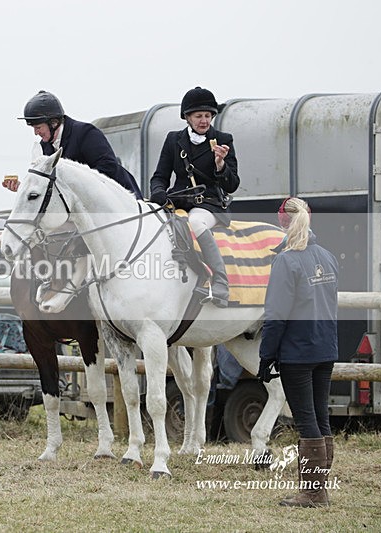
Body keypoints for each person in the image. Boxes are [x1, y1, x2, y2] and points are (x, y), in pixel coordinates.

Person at [258, 197, 338, 508]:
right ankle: (321, 489)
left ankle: (313, 492)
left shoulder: (286, 261)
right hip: (325, 348)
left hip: (297, 353)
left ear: (283, 222)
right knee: (321, 417)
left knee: (306, 421)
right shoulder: (328, 257)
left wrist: (267, 356)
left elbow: (276, 315)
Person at [149, 87, 240, 307]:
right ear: (187, 117)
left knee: (196, 222)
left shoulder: (223, 139)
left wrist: (220, 165)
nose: (204, 120)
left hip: (209, 205)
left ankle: (220, 282)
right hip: (179, 201)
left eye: (208, 116)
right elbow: (159, 176)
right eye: (199, 116)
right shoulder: (173, 140)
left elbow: (233, 185)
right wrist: (158, 193)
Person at [4, 90, 143, 199]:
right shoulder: (45, 147)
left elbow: (107, 168)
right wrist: (23, 189)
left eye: (38, 127)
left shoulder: (86, 133)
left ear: (53, 123)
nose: (36, 133)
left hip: (121, 204)